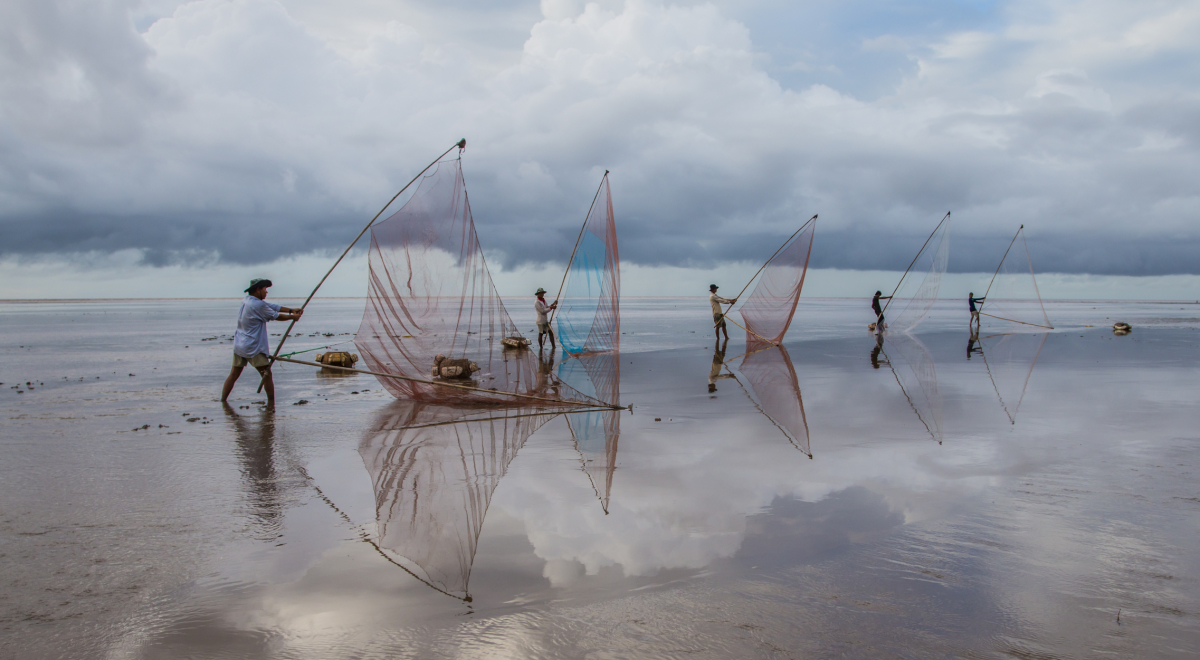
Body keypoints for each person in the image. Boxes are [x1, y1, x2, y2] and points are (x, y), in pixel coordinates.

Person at [221, 279, 303, 405]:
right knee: (267, 375)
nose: (266, 291)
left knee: (233, 375)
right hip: (253, 347)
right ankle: (271, 405)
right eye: (265, 289)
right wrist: (293, 317)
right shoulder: (257, 305)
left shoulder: (247, 300)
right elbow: (276, 316)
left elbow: (271, 306)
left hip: (240, 344)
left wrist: (290, 310)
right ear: (257, 289)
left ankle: (223, 401)